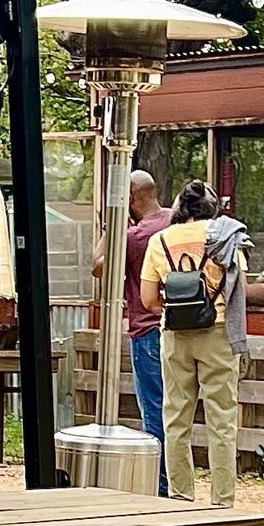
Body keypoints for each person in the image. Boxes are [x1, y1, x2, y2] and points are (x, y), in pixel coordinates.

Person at [141, 179, 248, 507]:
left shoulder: (160, 240)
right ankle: (222, 501)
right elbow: (238, 290)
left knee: (175, 418)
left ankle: (180, 497)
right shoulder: (225, 238)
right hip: (216, 334)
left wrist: (177, 308)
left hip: (175, 336)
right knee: (221, 419)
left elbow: (147, 299)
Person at [93, 169, 173, 492]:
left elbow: (97, 264)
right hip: (177, 329)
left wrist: (112, 223)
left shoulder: (134, 237)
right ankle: (179, 481)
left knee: (153, 410)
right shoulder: (174, 222)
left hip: (146, 332)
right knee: (175, 409)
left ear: (130, 199)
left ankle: (161, 485)